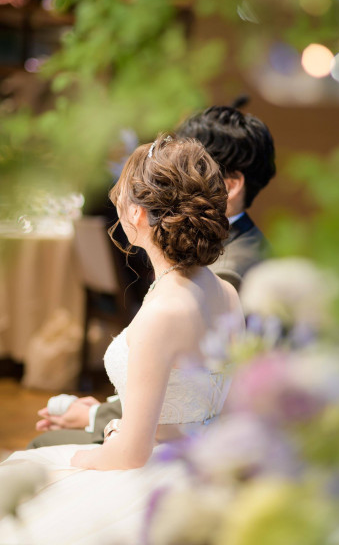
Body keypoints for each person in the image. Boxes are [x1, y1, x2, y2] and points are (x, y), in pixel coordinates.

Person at [0, 135, 244, 544]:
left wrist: (80, 459)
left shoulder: (164, 309)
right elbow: (216, 409)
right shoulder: (225, 292)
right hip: (199, 464)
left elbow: (133, 454)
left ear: (137, 213)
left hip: (156, 474)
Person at [30, 101, 276, 449]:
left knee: (40, 450)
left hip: (177, 441)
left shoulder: (226, 271)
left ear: (231, 184)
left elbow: (201, 391)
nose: (178, 178)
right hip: (161, 421)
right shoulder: (207, 255)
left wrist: (98, 417)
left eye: (194, 166)